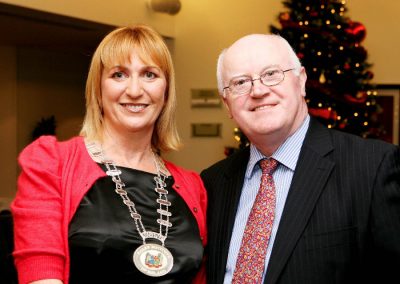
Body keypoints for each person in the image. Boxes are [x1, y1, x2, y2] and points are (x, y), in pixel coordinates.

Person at [11, 25, 207, 284]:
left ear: (166, 91)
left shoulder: (193, 186)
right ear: (98, 89)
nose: (135, 90)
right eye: (119, 75)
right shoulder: (51, 163)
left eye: (149, 74)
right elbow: (40, 272)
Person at [201, 33, 400, 284]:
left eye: (271, 74)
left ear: (301, 80)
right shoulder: (213, 183)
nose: (259, 90)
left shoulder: (372, 167)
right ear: (227, 103)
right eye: (240, 82)